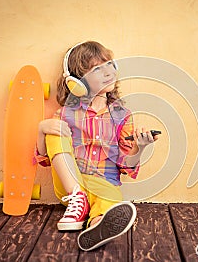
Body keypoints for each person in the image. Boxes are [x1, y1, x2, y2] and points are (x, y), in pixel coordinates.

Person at [34, 41, 159, 251]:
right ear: (77, 82)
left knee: (108, 204)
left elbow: (126, 166)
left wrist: (140, 148)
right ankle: (78, 198)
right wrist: (42, 129)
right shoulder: (66, 113)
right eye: (97, 69)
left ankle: (97, 226)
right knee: (56, 129)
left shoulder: (122, 116)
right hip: (70, 185)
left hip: (104, 186)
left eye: (109, 64)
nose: (108, 72)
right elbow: (46, 159)